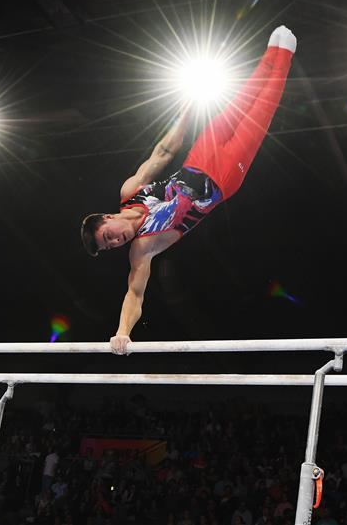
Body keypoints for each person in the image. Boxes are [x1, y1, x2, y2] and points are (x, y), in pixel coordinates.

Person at [79, 25, 296, 354]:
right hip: (222, 179)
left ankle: (270, 53)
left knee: (242, 100)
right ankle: (284, 56)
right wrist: (122, 332)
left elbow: (164, 151)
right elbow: (135, 294)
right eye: (109, 247)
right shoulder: (142, 249)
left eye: (107, 236)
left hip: (199, 157)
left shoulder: (131, 191)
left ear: (108, 217)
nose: (114, 243)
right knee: (261, 111)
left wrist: (187, 108)